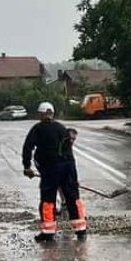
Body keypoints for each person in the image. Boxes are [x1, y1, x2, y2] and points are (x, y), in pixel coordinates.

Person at [22, 102, 87, 242]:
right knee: (73, 198)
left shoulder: (38, 129)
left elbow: (28, 147)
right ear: (52, 113)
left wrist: (27, 167)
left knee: (48, 200)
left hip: (51, 168)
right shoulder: (61, 127)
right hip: (69, 168)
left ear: (40, 114)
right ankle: (81, 230)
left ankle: (48, 232)